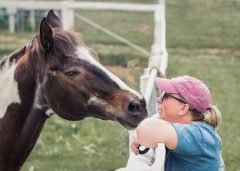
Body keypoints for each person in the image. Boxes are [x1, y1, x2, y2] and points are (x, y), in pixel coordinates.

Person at [117, 75, 224, 171]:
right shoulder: (192, 132)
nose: (158, 100)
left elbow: (146, 129)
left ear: (183, 108)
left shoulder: (198, 136)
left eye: (165, 96)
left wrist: (145, 136)